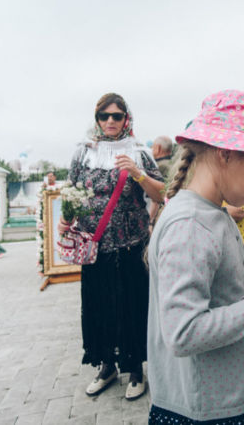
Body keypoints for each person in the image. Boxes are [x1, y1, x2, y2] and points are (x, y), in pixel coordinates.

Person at [147, 89, 244, 424]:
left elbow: (214, 279)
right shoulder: (192, 225)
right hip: (214, 408)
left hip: (228, 393)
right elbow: (184, 332)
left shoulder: (209, 211)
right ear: (225, 154)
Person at [59, 92, 164, 400]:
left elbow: (162, 193)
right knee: (100, 307)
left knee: (132, 306)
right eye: (104, 116)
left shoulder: (140, 152)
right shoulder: (83, 153)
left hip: (131, 245)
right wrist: (66, 219)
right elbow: (71, 191)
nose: (109, 121)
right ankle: (107, 365)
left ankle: (134, 369)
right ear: (97, 120)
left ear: (126, 119)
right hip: (95, 247)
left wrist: (137, 173)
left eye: (116, 116)